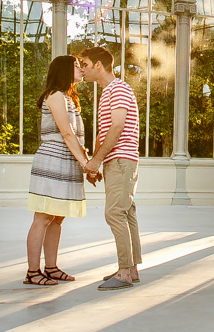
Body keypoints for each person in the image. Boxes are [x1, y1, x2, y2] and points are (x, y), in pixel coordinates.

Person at [23, 55, 92, 286]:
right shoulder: (54, 96)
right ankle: (33, 272)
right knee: (42, 217)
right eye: (76, 65)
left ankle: (50, 267)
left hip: (67, 161)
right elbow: (66, 134)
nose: (81, 69)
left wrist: (85, 161)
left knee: (56, 219)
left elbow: (75, 139)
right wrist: (86, 165)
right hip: (53, 161)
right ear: (64, 70)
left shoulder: (68, 98)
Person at [79, 46, 142, 291]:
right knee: (126, 213)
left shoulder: (118, 88)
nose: (82, 69)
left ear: (97, 65)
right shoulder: (107, 92)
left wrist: (96, 161)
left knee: (114, 213)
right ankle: (131, 269)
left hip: (121, 159)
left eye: (84, 64)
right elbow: (103, 132)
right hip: (115, 160)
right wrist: (96, 163)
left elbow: (117, 127)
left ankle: (125, 272)